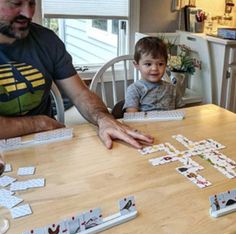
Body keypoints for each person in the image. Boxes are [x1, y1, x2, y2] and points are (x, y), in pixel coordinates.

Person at [0, 0, 154, 158]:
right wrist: (40, 123)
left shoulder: (46, 40)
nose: (28, 13)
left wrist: (104, 118)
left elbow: (79, 93)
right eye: (16, 3)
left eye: (32, 3)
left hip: (46, 144)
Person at [123, 36, 185, 113]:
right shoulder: (134, 89)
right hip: (145, 124)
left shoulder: (172, 89)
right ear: (136, 65)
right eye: (148, 64)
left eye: (160, 64)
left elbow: (182, 113)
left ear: (166, 64)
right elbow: (131, 117)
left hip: (169, 124)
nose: (155, 68)